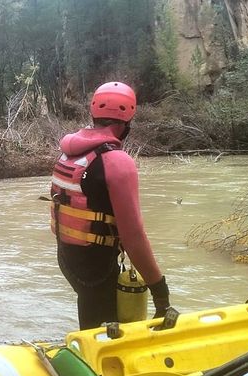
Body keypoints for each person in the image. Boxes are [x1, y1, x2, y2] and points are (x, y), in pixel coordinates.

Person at [50, 81, 171, 330]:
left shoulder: (69, 151)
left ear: (94, 113)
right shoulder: (116, 161)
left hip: (68, 257)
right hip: (96, 270)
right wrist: (160, 290)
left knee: (92, 315)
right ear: (127, 121)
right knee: (104, 331)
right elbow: (133, 236)